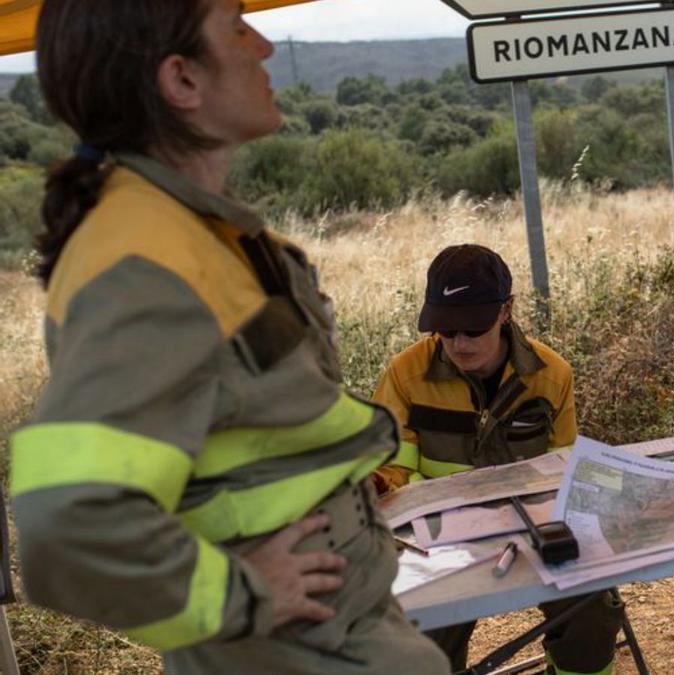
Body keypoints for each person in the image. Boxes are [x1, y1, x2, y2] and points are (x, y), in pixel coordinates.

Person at [8, 1, 449, 673]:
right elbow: (67, 522)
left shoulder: (191, 231)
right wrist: (242, 594)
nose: (264, 46)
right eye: (237, 26)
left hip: (333, 633)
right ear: (181, 80)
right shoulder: (144, 259)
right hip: (298, 649)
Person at [370, 244, 624, 675]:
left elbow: (562, 469)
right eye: (445, 330)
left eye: (472, 328)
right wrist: (374, 482)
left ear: (506, 311)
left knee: (592, 614)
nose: (458, 343)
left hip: (532, 533)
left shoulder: (551, 374)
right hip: (438, 544)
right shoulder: (405, 374)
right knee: (418, 638)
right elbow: (391, 465)